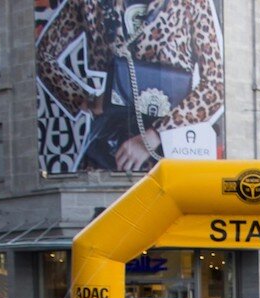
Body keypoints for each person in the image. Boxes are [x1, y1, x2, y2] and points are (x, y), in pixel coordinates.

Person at [36, 0, 226, 173]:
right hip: (110, 140)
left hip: (172, 141)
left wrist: (155, 135)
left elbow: (216, 86)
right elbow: (43, 56)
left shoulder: (191, 2)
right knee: (104, 207)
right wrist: (83, 99)